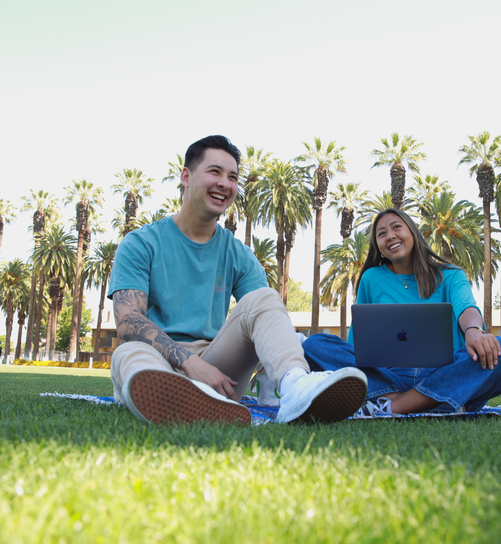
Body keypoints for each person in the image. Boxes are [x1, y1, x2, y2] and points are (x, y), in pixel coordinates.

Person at [108, 135, 367, 426]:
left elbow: (266, 317)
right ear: (186, 176)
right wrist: (190, 364)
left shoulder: (237, 253)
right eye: (214, 172)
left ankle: (295, 388)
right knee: (128, 351)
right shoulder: (141, 243)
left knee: (265, 298)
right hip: (159, 360)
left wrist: (261, 368)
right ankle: (176, 398)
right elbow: (128, 321)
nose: (225, 184)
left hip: (217, 367)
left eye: (232, 177)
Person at [302, 208, 501, 416]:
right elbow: (356, 344)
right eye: (381, 233)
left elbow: (466, 308)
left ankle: (392, 406)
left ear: (412, 232)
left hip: (444, 373)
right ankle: (431, 402)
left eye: (397, 227)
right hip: (389, 377)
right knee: (313, 346)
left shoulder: (451, 275)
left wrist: (473, 331)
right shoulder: (371, 278)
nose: (390, 236)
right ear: (377, 244)